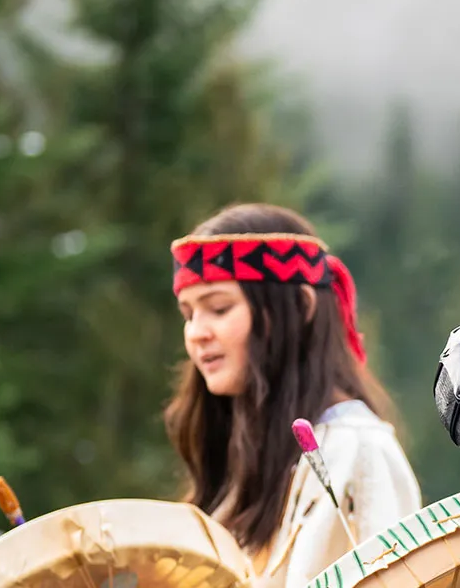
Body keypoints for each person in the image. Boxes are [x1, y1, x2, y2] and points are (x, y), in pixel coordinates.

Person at [166, 203, 421, 587]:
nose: (197, 332)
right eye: (188, 313)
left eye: (218, 308)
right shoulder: (242, 461)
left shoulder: (359, 450)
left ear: (300, 306)